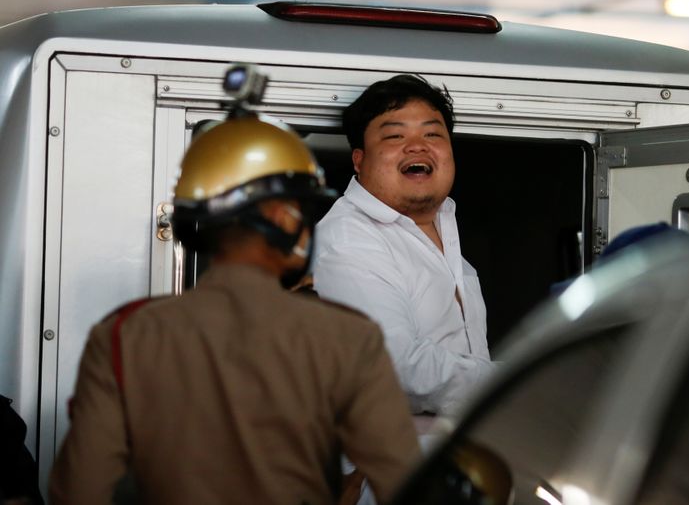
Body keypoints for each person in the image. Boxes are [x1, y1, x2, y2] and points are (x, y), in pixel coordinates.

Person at [50, 111, 420, 504]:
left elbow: (77, 492)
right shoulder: (349, 337)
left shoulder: (124, 334)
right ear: (282, 216)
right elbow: (409, 487)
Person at [313, 74, 495, 421]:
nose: (417, 146)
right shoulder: (348, 239)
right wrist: (516, 384)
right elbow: (395, 368)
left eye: (432, 134)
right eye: (395, 136)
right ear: (358, 159)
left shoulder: (449, 237)